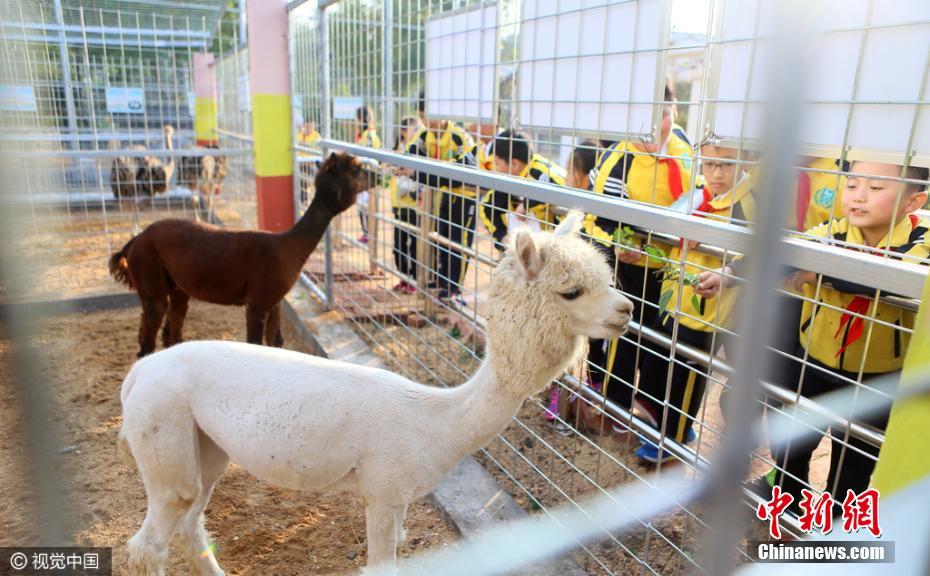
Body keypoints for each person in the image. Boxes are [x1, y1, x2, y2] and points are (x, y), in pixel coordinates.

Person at [632, 143, 757, 463]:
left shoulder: (748, 204)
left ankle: (673, 439)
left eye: (727, 164)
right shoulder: (698, 196)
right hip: (675, 300)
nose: (716, 173)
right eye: (710, 163)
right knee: (660, 363)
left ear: (745, 162)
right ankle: (666, 426)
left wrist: (723, 255)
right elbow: (665, 221)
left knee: (686, 376)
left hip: (708, 311)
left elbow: (757, 249)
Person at [581, 78, 694, 431]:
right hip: (626, 266)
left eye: (662, 114)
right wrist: (622, 245)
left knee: (660, 340)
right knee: (623, 334)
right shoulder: (619, 157)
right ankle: (615, 405)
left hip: (672, 269)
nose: (654, 128)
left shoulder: (686, 149)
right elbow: (599, 217)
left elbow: (698, 200)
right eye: (643, 117)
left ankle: (648, 407)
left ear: (674, 111)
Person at [480, 129, 566, 252]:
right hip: (530, 250)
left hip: (556, 247)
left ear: (514, 164)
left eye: (497, 163)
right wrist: (502, 237)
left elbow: (558, 188)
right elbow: (486, 207)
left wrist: (527, 204)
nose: (494, 169)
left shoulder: (538, 170)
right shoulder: (510, 178)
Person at [390, 116, 424, 294]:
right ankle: (403, 278)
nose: (416, 132)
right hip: (399, 206)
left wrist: (413, 190)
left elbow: (418, 179)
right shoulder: (398, 150)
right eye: (413, 129)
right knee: (399, 246)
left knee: (415, 246)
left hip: (414, 207)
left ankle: (414, 280)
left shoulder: (419, 151)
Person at [355, 106, 381, 244]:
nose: (356, 122)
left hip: (366, 177)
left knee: (365, 207)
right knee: (363, 207)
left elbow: (366, 156)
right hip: (365, 176)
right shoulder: (368, 134)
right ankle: (367, 233)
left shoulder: (369, 135)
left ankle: (368, 234)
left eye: (357, 119)